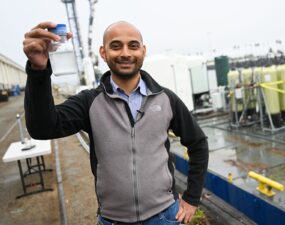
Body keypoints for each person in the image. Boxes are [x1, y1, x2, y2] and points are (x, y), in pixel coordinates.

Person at [23, 21, 209, 225]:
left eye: (133, 46)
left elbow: (198, 143)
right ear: (103, 52)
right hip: (113, 220)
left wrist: (191, 198)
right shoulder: (89, 102)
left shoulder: (166, 99)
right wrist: (38, 71)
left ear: (143, 51)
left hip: (165, 216)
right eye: (116, 46)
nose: (126, 53)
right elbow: (42, 128)